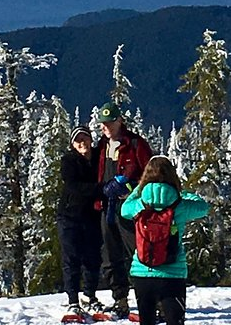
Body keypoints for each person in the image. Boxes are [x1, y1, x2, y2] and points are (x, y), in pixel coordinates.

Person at [121, 155, 209, 325]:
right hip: (173, 273)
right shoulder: (180, 206)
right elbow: (203, 207)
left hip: (142, 271)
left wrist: (139, 189)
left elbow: (124, 210)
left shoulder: (139, 204)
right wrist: (180, 192)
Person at [95, 102, 153, 318]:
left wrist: (132, 192)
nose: (105, 127)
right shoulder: (101, 147)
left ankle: (148, 300)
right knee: (110, 256)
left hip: (130, 208)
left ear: (120, 121)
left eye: (109, 122)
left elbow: (151, 175)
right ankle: (120, 300)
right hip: (106, 208)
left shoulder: (136, 144)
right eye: (103, 123)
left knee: (138, 253)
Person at [56, 125, 105, 319]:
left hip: (91, 217)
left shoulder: (98, 158)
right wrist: (101, 189)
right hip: (69, 217)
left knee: (93, 258)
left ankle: (90, 296)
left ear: (91, 140)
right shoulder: (68, 161)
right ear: (73, 144)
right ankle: (73, 300)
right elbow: (73, 185)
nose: (82, 143)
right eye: (78, 140)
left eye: (85, 138)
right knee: (72, 259)